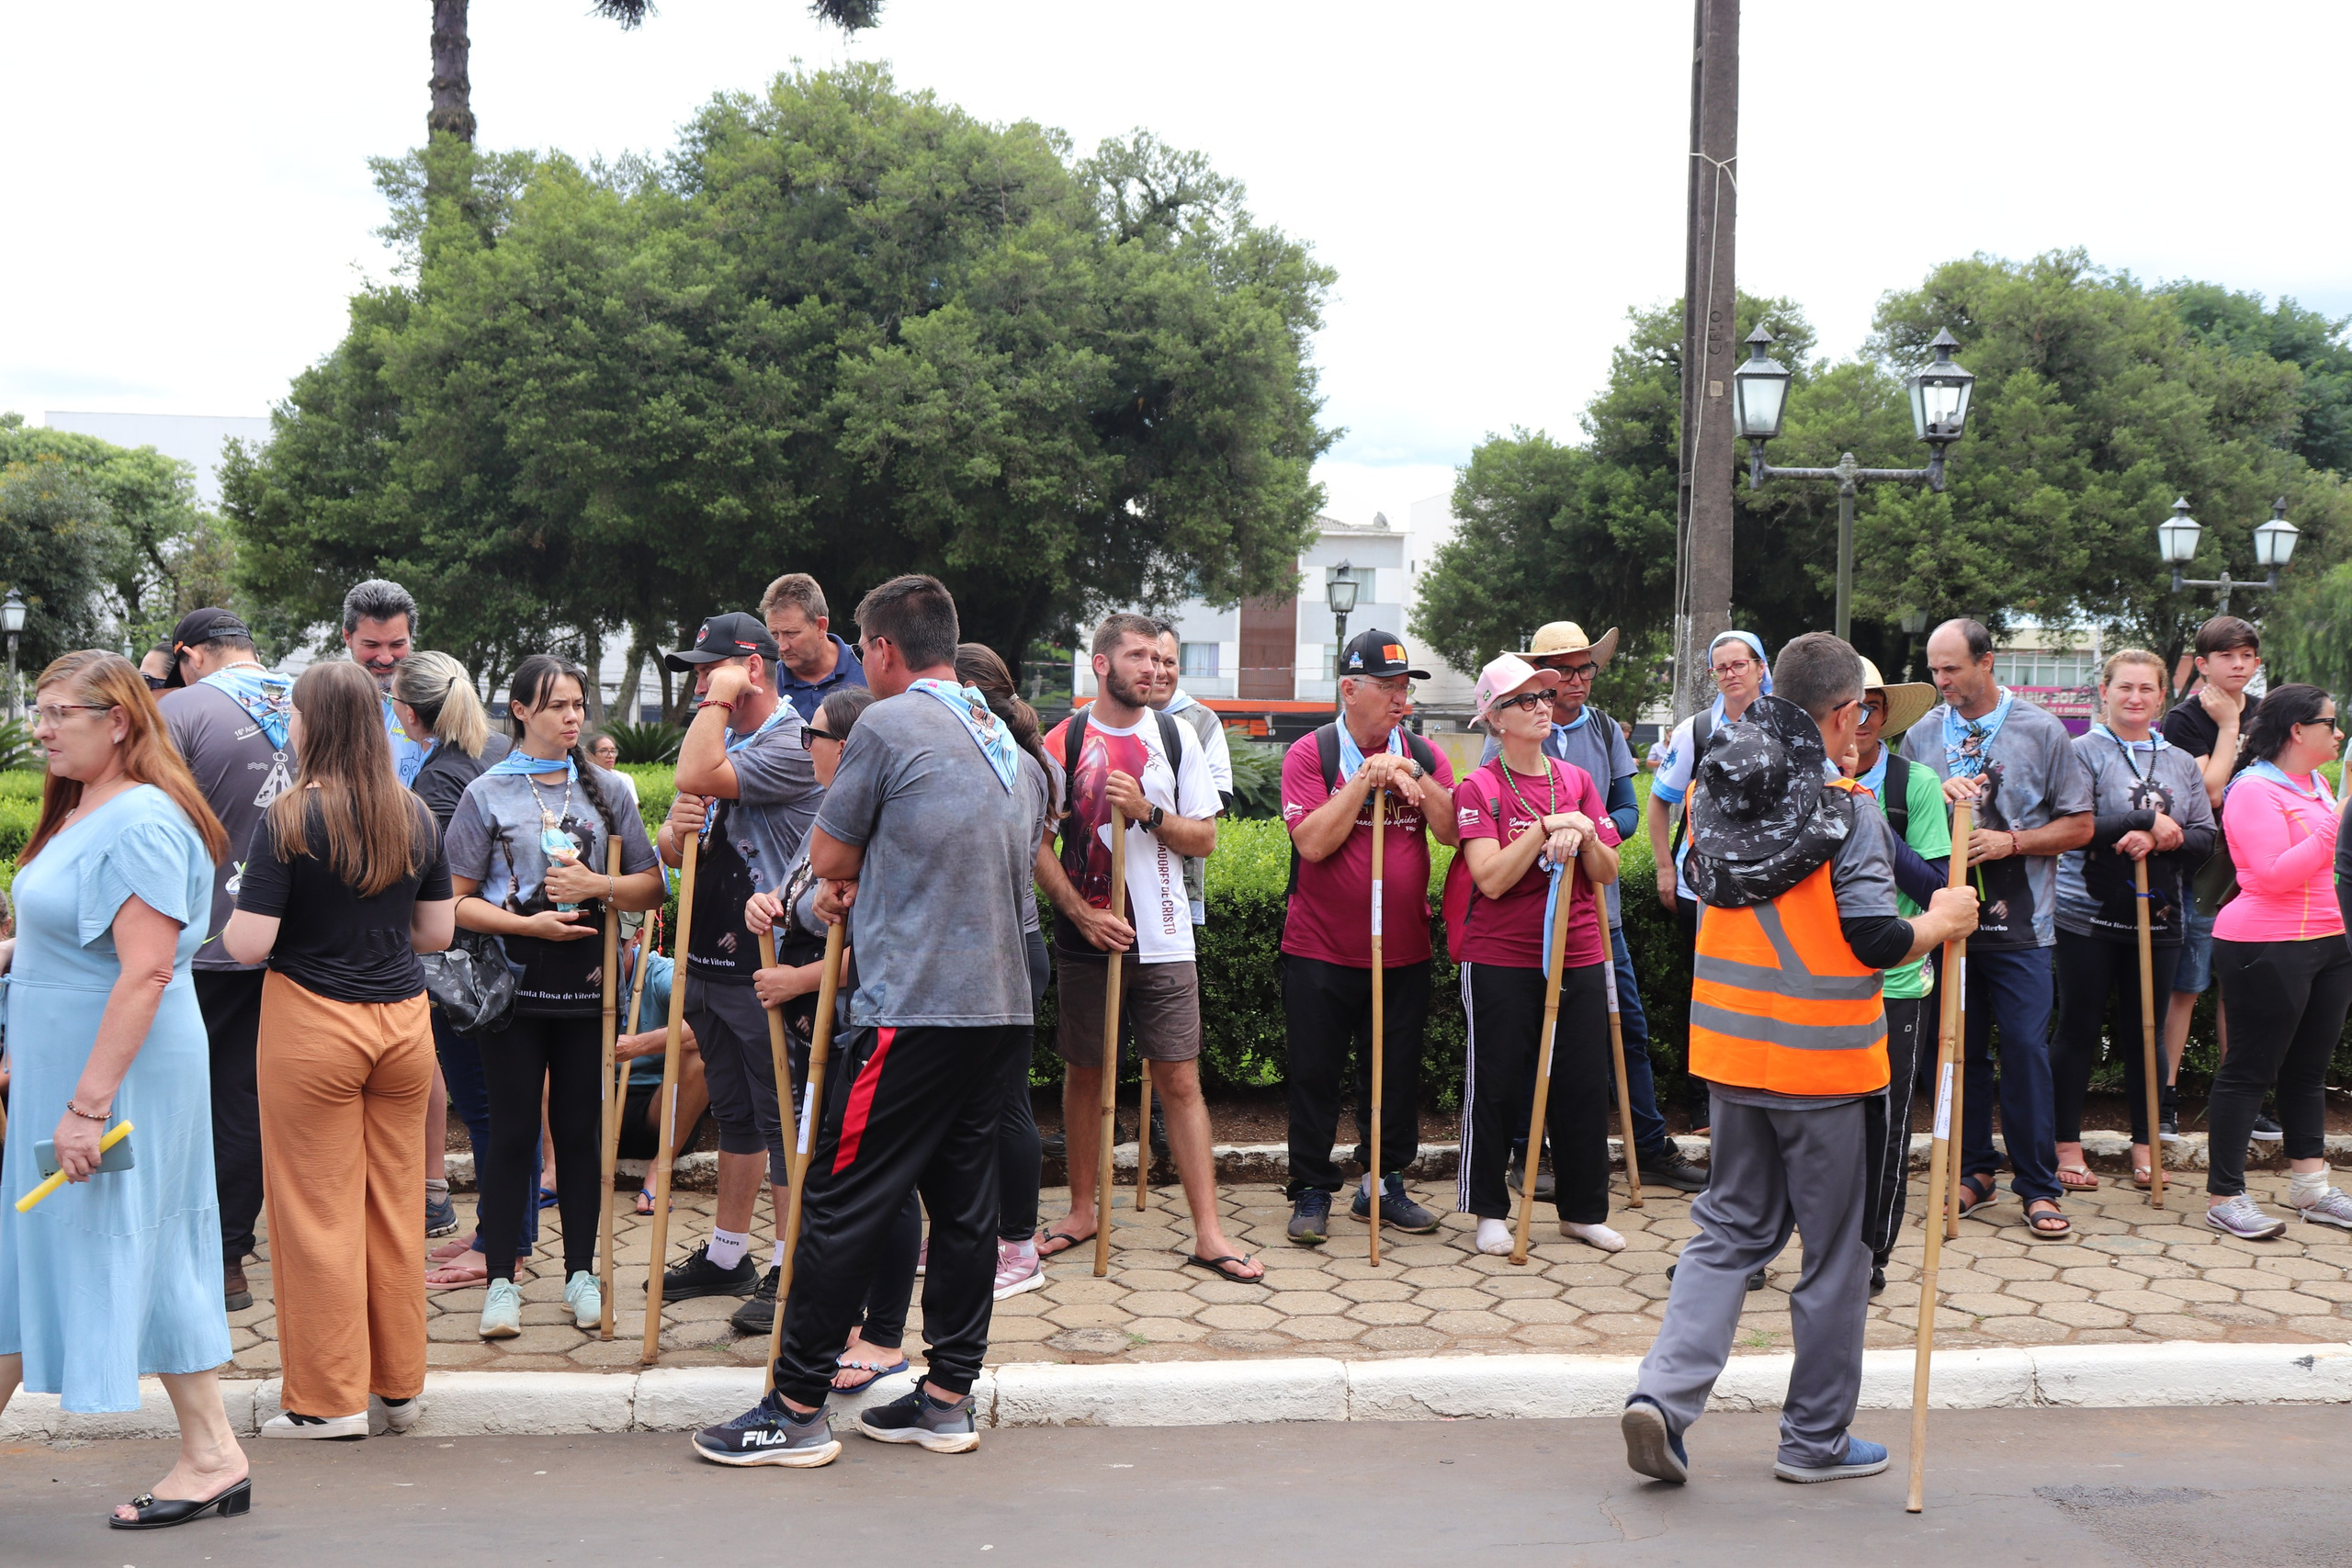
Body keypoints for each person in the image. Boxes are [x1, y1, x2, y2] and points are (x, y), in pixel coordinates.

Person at [1622, 634, 1979, 1489]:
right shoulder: (1846, 807)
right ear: (1846, 713)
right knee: (1837, 1253)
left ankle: (1663, 1401)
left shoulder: (1718, 787)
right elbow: (1874, 936)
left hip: (1732, 1051)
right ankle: (1813, 1439)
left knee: (1727, 1231)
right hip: (1826, 1067)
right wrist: (1945, 921)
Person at [693, 573, 1033, 1466]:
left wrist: (850, 871)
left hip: (911, 1008)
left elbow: (833, 851)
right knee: (966, 1209)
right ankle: (948, 1397)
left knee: (838, 1200)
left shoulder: (886, 723)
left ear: (881, 650)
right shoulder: (1002, 734)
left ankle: (795, 1407)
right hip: (1000, 1007)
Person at [0, 651, 250, 1529]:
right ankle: (214, 1452)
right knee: (65, 1243)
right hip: (78, 1071)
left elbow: (145, 972)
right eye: (39, 708)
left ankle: (214, 1453)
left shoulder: (140, 818)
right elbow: (76, 936)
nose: (40, 726)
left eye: (58, 710)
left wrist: (86, 1106)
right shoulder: (89, 806)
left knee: (108, 1238)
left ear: (118, 720)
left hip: (114, 1078)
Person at [220, 660, 454, 1439]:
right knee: (393, 1206)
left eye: (292, 713)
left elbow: (249, 945)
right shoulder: (414, 813)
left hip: (315, 1024)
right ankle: (399, 1390)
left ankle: (327, 1402)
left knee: (315, 1212)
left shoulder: (289, 817)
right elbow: (437, 933)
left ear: (313, 723)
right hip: (404, 1024)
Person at [444, 654, 666, 1339]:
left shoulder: (609, 788)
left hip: (589, 990)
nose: (573, 717)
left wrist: (599, 887)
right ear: (519, 710)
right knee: (511, 1134)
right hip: (512, 988)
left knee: (579, 1132)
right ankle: (502, 1280)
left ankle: (581, 1273)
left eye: (578, 704)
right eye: (557, 706)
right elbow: (455, 905)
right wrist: (525, 921)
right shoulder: (487, 792)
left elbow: (652, 888)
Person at [1036, 615, 1257, 1280]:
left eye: (1159, 657)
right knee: (1084, 1072)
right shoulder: (1062, 739)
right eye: (1135, 656)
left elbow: (1204, 839)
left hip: (1165, 937)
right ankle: (1081, 1211)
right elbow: (1035, 845)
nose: (1151, 668)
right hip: (1089, 940)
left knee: (1180, 1079)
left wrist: (1149, 814)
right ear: (1101, 665)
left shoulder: (1175, 735)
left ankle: (1210, 1233)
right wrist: (1080, 911)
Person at [1480, 620, 1704, 1194]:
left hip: (1598, 915)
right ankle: (1533, 1156)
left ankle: (1647, 1145)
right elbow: (1487, 809)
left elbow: (1627, 810)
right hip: (1530, 921)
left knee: (1624, 1028)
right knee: (1537, 1041)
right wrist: (1549, 829)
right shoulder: (1508, 734)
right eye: (1564, 673)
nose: (1576, 682)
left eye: (1585, 669)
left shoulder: (1604, 730)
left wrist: (1588, 830)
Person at [650, 614, 822, 1327]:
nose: (698, 683)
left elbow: (699, 773)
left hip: (765, 962)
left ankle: (791, 1261)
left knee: (779, 1115)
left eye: (708, 669)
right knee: (735, 1112)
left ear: (751, 666)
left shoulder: (789, 741)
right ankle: (729, 1252)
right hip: (707, 959)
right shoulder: (721, 738)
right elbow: (671, 836)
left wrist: (718, 702)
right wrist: (673, 829)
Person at [1904, 618, 2092, 1243]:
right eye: (1935, 669)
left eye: (1952, 668)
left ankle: (2039, 1184)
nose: (1942, 681)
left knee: (2025, 1051)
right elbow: (1904, 827)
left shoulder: (2042, 729)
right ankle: (1975, 1169)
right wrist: (1935, 791)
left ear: (1988, 662)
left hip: (2025, 930)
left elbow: (2080, 825)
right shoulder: (1925, 735)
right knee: (1957, 1052)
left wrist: (2012, 840)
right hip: (1948, 926)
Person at [1278, 628, 1459, 1245]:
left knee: (1393, 1075)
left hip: (1403, 948)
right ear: (1348, 688)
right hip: (1319, 948)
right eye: (1386, 686)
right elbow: (1314, 842)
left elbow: (1452, 828)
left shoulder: (1426, 754)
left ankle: (1383, 1183)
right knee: (1314, 1073)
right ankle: (1309, 1188)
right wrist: (1364, 779)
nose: (1399, 697)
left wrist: (1408, 769)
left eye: (1404, 686)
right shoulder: (1311, 753)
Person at [1447, 653, 1623, 1255]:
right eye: (1526, 700)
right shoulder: (1481, 787)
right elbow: (1490, 877)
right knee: (1494, 1082)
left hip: (1577, 949)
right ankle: (1488, 1209)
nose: (1543, 706)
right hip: (1499, 955)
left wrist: (1586, 833)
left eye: (1544, 697)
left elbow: (1607, 869)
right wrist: (1547, 827)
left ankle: (1580, 1209)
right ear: (1496, 719)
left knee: (1580, 1083)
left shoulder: (1577, 779)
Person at [155, 608, 292, 1314]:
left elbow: (152, 818)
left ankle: (182, 1254)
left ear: (190, 655)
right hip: (292, 942)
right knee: (250, 1098)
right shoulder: (309, 699)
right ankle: (233, 1254)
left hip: (198, 942)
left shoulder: (180, 708)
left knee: (177, 1097)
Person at [391, 653, 536, 1286]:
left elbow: (445, 889)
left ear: (407, 711)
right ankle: (504, 1233)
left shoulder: (438, 781)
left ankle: (503, 1244)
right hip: (519, 956)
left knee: (486, 1107)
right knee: (508, 1106)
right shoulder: (500, 749)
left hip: (473, 970)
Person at [2051, 650, 2214, 1194]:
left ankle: (2146, 1144)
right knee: (2077, 1029)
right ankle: (2065, 1145)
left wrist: (2160, 837)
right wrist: (2144, 819)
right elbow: (2074, 825)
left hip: (2160, 918)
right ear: (2104, 690)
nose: (2136, 697)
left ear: (2163, 696)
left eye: (2147, 689)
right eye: (2125, 687)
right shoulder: (2080, 752)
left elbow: (2204, 838)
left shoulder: (2182, 763)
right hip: (2086, 916)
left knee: (2146, 1036)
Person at [2204, 684, 2352, 1237]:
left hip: (2329, 941)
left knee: (2308, 1071)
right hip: (2265, 944)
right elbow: (2269, 875)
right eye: (2330, 723)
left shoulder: (2315, 783)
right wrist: (2337, 821)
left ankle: (2311, 1189)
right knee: (2248, 1072)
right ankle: (2225, 1195)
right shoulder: (2253, 790)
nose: (2338, 733)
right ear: (2298, 730)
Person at [955, 647, 1057, 1299]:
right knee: (970, 1105)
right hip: (986, 947)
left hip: (1010, 947)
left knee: (1005, 1104)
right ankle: (979, 1232)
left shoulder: (1011, 763)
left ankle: (1019, 1245)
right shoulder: (1004, 755)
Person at [1848, 658, 1948, 1293]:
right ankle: (1758, 1248)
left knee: (1883, 1127)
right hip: (1814, 984)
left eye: (1870, 708)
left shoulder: (1916, 784)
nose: (1857, 722)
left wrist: (1869, 822)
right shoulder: (1798, 781)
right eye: (1847, 707)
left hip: (1896, 984)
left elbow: (1940, 887)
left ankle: (1870, 1253)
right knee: (1792, 1126)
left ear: (1885, 718)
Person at [2160, 615, 2271, 1145]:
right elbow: (2207, 793)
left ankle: (2241, 1100)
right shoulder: (2185, 720)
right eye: (2229, 656)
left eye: (2248, 655)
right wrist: (2229, 729)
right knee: (2187, 985)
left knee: (2240, 987)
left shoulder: (2268, 714)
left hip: (2259, 865)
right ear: (2202, 664)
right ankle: (2165, 1097)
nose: (2240, 665)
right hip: (2205, 869)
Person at [1150, 622, 1235, 928]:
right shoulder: (1094, 717)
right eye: (1151, 660)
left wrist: (1148, 803)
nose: (1160, 671)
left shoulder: (1201, 721)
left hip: (1179, 882)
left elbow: (1220, 799)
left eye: (1169, 662)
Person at [342, 579, 429, 786]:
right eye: (371, 645)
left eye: (397, 644)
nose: (386, 658)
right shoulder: (326, 700)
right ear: (347, 637)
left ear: (411, 637)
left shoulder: (436, 699)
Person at [763, 572, 866, 723]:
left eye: (791, 633)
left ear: (821, 626)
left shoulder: (868, 668)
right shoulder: (766, 684)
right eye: (774, 634)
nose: (781, 647)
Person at [588, 731, 640, 807]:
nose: (610, 756)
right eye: (603, 751)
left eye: (613, 751)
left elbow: (633, 811)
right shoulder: (584, 778)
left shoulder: (625, 779)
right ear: (591, 755)